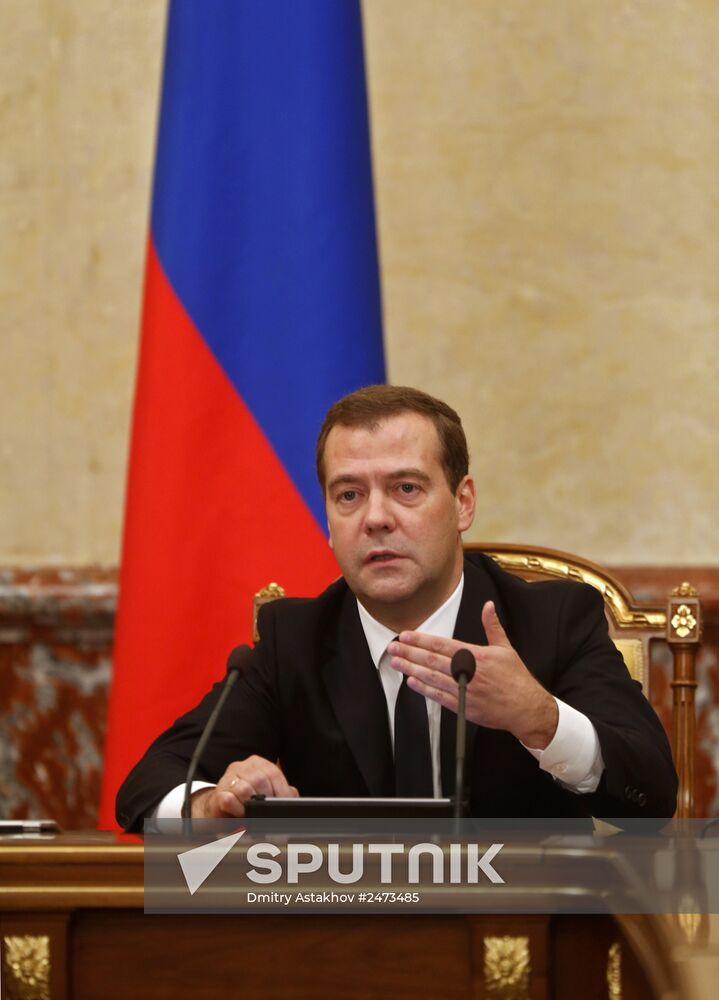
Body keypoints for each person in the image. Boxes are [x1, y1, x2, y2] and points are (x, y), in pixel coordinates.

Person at [116, 385, 677, 831]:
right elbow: (150, 784)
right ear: (330, 522)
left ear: (462, 503)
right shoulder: (296, 639)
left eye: (406, 488)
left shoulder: (549, 621)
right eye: (349, 495)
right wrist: (214, 802)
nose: (376, 518)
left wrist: (540, 719)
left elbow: (651, 793)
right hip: (354, 947)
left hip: (527, 939)